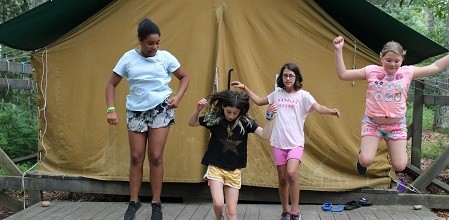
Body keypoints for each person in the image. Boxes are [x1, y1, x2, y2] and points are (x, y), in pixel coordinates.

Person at [332, 36, 449, 175]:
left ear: (402, 60)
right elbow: (343, 74)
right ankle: (363, 156)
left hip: (396, 125)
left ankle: (396, 150)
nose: (392, 64)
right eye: (388, 60)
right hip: (372, 123)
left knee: (400, 166)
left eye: (396, 61)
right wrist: (338, 50)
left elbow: (435, 67)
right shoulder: (371, 71)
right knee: (366, 161)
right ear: (381, 57)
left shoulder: (408, 72)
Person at [231, 63, 341, 220]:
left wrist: (330, 111)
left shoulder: (304, 95)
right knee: (282, 179)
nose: (288, 78)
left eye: (291, 75)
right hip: (278, 143)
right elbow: (258, 101)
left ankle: (295, 212)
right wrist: (244, 87)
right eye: (285, 75)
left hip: (296, 143)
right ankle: (285, 211)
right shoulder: (277, 94)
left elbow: (318, 107)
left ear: (296, 77)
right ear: (281, 78)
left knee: (292, 173)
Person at [105, 18, 190, 220]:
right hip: (136, 111)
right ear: (140, 41)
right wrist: (111, 109)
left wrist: (177, 97)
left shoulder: (165, 57)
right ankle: (134, 201)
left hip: (161, 109)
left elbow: (184, 77)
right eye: (150, 43)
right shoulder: (128, 58)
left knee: (156, 157)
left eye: (157, 43)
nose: (154, 47)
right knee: (136, 157)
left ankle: (156, 202)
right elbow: (110, 85)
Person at [188, 90, 276, 220]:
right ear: (223, 106)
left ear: (241, 110)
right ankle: (219, 218)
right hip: (216, 167)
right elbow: (192, 123)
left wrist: (269, 117)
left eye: (235, 113)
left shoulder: (245, 122)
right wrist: (198, 110)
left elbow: (265, 135)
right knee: (218, 203)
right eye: (228, 111)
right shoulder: (215, 119)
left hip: (234, 170)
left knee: (232, 210)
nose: (231, 115)